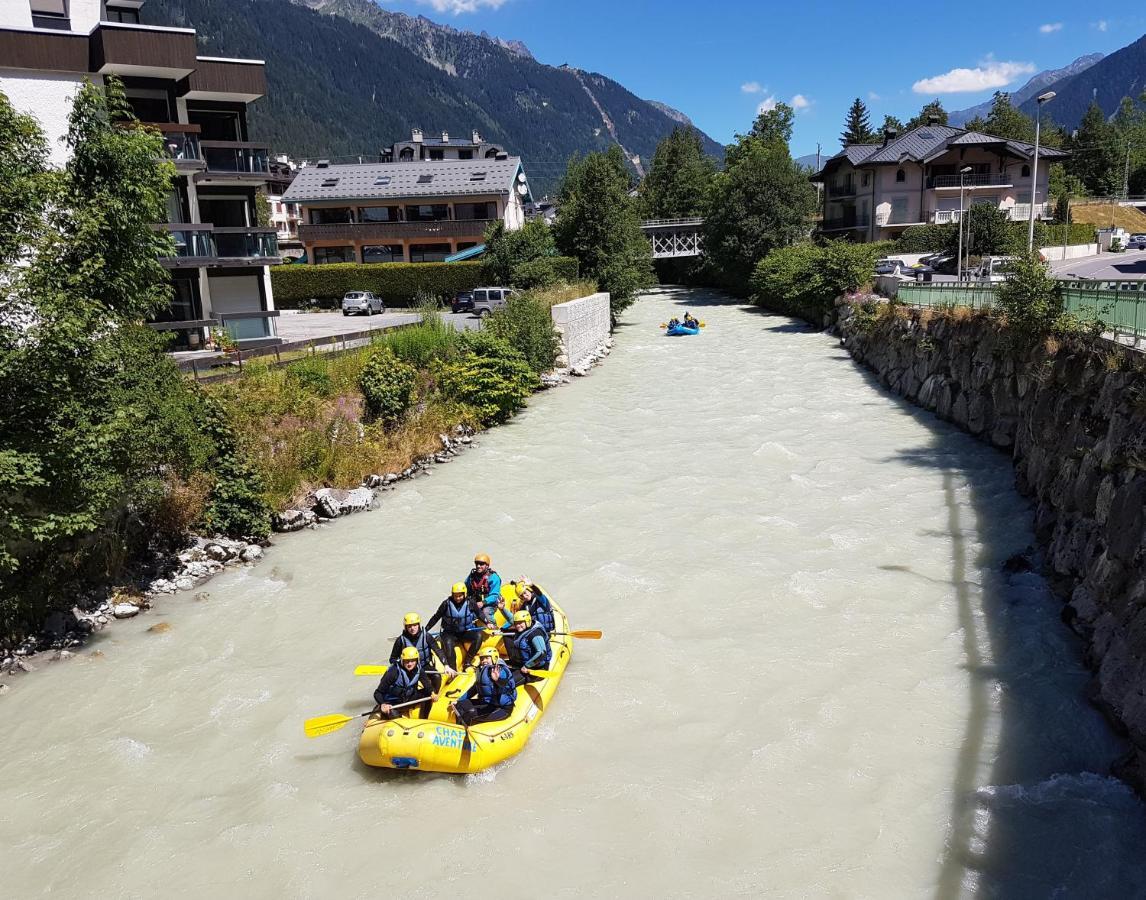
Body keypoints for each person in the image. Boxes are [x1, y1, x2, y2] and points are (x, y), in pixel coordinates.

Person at [426, 582, 487, 671]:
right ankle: (453, 669)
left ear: (464, 594)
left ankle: (467, 662)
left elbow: (479, 613)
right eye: (455, 595)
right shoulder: (446, 604)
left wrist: (487, 622)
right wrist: (426, 629)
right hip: (449, 633)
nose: (457, 598)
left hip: (465, 631)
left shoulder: (470, 603)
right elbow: (436, 617)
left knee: (479, 636)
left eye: (460, 596)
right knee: (448, 644)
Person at [451, 647, 516, 727]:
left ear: (494, 657)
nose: (484, 661)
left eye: (487, 658)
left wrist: (497, 679)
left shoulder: (500, 670)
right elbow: (475, 688)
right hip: (487, 703)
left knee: (470, 713)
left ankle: (466, 732)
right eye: (482, 659)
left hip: (501, 708)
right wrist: (459, 700)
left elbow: (504, 683)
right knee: (460, 704)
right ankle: (458, 726)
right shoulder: (483, 670)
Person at [373, 647, 437, 719]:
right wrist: (383, 704)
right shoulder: (393, 672)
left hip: (409, 698)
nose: (410, 664)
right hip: (394, 703)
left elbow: (427, 684)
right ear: (402, 660)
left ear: (417, 660)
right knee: (393, 713)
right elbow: (377, 693)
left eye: (412, 661)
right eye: (407, 661)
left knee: (428, 694)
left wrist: (432, 693)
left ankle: (424, 719)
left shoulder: (419, 669)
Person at [389, 612, 443, 692]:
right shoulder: (400, 641)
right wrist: (402, 664)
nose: (412, 628)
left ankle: (433, 695)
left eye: (415, 625)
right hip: (409, 669)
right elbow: (392, 659)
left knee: (437, 676)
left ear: (418, 625)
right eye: (409, 626)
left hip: (425, 666)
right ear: (406, 627)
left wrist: (446, 665)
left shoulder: (427, 636)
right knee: (408, 687)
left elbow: (438, 651)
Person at [504, 609, 552, 683]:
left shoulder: (535, 634)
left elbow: (542, 653)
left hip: (535, 669)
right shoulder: (525, 627)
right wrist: (503, 609)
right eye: (516, 623)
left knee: (507, 682)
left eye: (520, 623)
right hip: (521, 664)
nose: (517, 625)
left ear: (527, 621)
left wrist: (527, 666)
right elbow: (511, 619)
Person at [465, 553, 502, 626]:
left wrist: (483, 602)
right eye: (477, 563)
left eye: (481, 564)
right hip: (476, 601)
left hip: (490, 603)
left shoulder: (494, 577)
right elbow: (465, 588)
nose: (478, 566)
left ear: (487, 565)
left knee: (486, 612)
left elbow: (494, 595)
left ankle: (493, 626)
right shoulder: (472, 576)